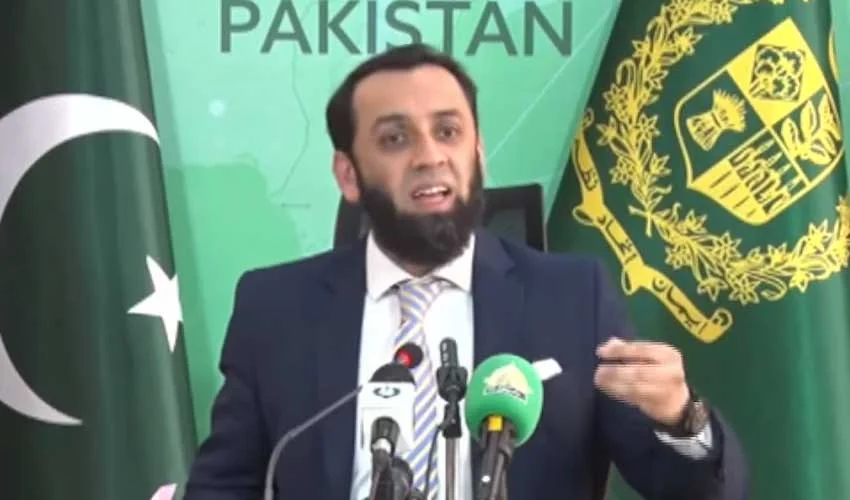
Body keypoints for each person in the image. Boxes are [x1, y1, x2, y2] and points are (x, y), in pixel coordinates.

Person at [184, 43, 748, 500]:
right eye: (395, 138)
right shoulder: (276, 308)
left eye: (448, 132)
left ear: (478, 152)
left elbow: (693, 491)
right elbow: (224, 485)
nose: (430, 156)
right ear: (349, 174)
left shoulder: (574, 298)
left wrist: (683, 420)